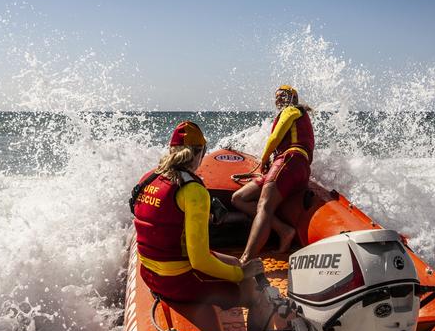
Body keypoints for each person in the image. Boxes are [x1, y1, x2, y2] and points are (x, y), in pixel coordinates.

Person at [131, 121, 266, 315]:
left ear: (171, 150)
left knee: (236, 262)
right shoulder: (193, 190)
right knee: (253, 291)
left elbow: (164, 220)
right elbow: (200, 261)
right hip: (176, 281)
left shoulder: (148, 177)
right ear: (200, 153)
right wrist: (240, 274)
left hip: (148, 274)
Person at [232, 85, 314, 262]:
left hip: (289, 162)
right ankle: (284, 230)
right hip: (297, 168)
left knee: (264, 207)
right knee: (239, 198)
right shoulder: (301, 119)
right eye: (276, 96)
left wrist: (264, 159)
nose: (278, 98)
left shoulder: (292, 110)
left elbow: (275, 137)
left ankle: (245, 260)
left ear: (294, 98)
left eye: (283, 95)